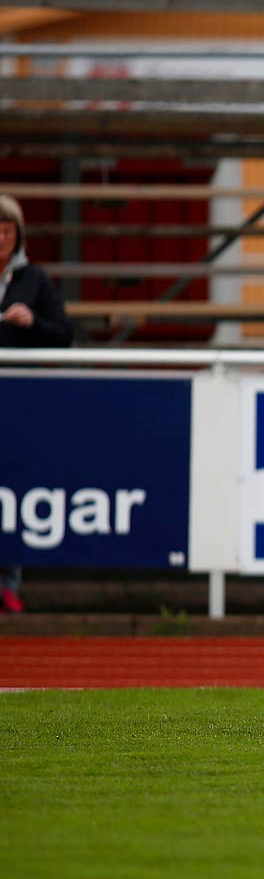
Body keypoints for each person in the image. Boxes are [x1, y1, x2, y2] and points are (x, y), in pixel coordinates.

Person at [1, 194, 73, 614]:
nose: (1, 238)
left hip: (17, 400)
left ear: (18, 235)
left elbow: (64, 334)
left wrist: (32, 323)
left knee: (12, 488)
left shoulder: (34, 281)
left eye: (8, 231)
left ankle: (8, 582)